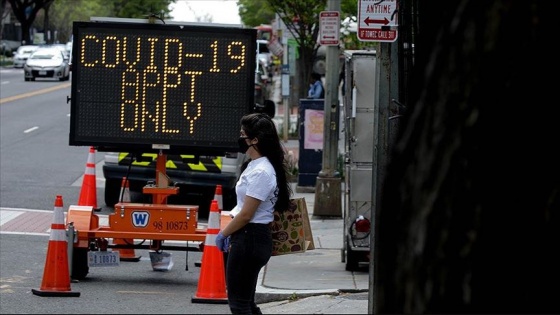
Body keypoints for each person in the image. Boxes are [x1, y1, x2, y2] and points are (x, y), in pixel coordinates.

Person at [215, 112, 293, 314]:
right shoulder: (258, 166)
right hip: (252, 238)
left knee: (239, 304)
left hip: (249, 238)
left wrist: (224, 234)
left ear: (255, 140)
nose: (240, 138)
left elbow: (246, 214)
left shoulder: (261, 172)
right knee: (247, 302)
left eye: (243, 134)